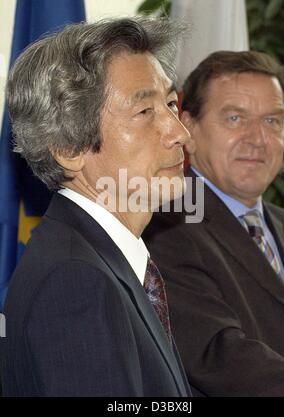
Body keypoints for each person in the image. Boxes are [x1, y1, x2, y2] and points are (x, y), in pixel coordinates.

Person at [0, 17, 193, 397]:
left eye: (170, 103)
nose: (179, 132)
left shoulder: (100, 261)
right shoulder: (75, 282)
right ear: (69, 150)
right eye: (144, 112)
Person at [143, 50, 284, 396]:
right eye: (235, 118)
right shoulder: (162, 225)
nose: (258, 139)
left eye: (272, 121)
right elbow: (218, 355)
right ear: (188, 128)